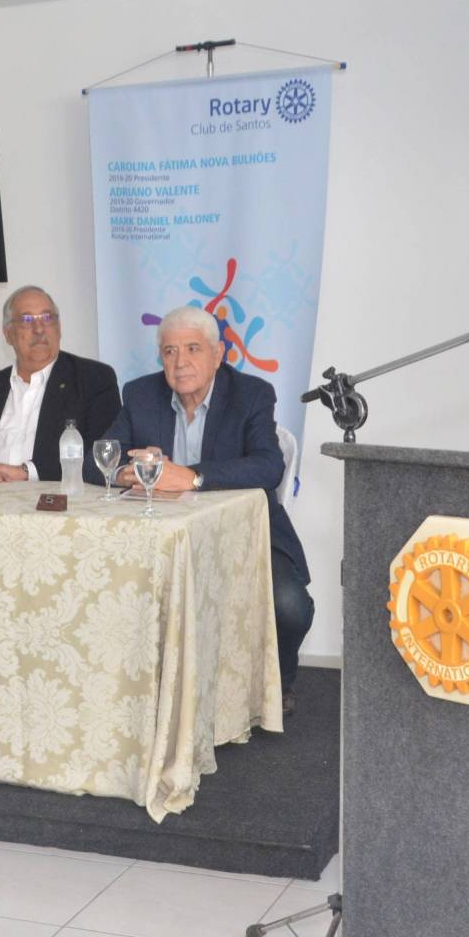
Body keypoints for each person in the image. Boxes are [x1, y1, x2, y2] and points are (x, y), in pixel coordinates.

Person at [100, 304, 313, 711]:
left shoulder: (251, 394)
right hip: (159, 537)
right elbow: (104, 458)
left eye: (193, 349)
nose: (180, 362)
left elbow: (268, 466)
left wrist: (192, 477)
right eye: (170, 351)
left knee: (290, 606)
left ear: (218, 355)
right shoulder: (140, 395)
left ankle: (277, 685)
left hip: (244, 531)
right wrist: (128, 472)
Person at [0, 286, 119, 482]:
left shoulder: (94, 380)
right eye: (26, 320)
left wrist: (26, 472)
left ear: (59, 328)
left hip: (54, 498)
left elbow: (101, 455)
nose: (39, 329)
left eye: (47, 318)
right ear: (8, 334)